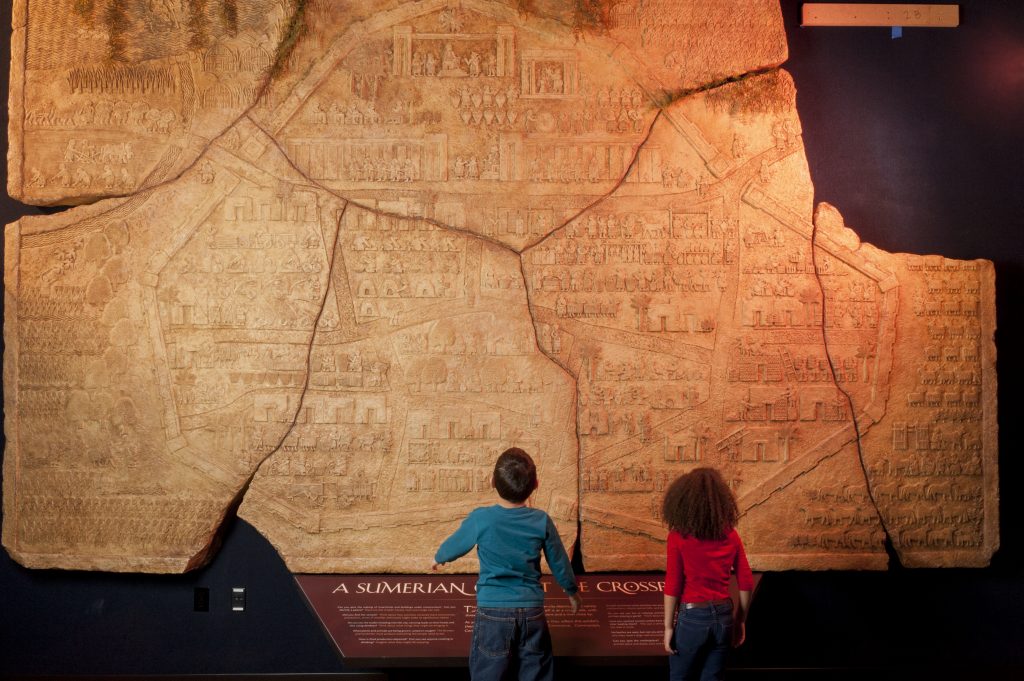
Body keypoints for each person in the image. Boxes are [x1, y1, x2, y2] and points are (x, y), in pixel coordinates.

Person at [432, 447, 581, 681]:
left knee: (489, 674)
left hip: (492, 613)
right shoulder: (541, 520)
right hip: (532, 612)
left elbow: (455, 544)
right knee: (537, 673)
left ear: (492, 482)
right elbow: (559, 561)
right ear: (536, 484)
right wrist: (571, 591)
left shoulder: (481, 518)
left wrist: (439, 558)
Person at [662, 467, 753, 680]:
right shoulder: (731, 535)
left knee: (680, 677)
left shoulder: (677, 537)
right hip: (724, 616)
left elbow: (673, 584)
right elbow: (746, 581)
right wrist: (740, 620)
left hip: (692, 617)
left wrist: (668, 626)